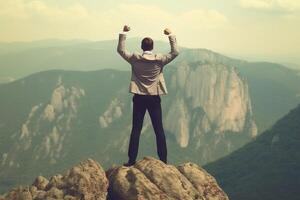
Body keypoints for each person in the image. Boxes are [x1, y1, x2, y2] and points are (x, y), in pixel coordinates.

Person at [117, 25, 179, 166]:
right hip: (154, 98)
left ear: (142, 47)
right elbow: (175, 52)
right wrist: (170, 34)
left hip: (139, 97)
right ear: (152, 47)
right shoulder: (160, 59)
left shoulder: (134, 58)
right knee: (159, 130)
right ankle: (163, 161)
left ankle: (131, 160)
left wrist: (124, 32)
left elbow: (120, 50)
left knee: (136, 130)